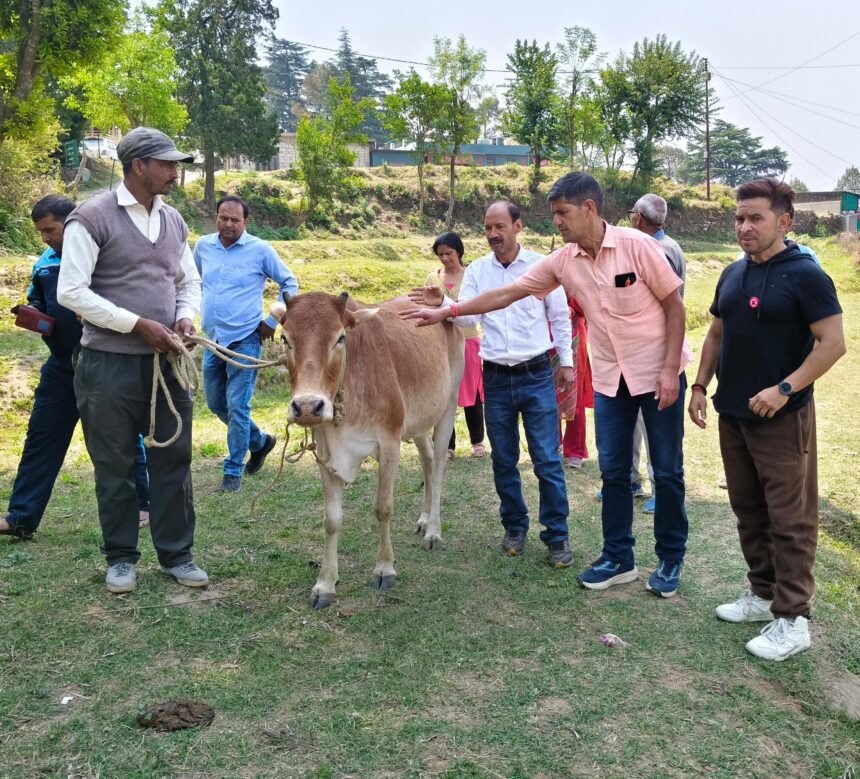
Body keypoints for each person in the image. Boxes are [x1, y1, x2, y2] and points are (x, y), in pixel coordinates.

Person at [403, 174, 691, 598]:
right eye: (553, 213)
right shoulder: (563, 261)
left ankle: (669, 557)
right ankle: (618, 557)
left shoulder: (638, 246)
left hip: (657, 375)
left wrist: (670, 370)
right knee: (613, 472)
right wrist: (450, 308)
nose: (555, 221)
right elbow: (508, 294)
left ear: (588, 208)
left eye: (562, 213)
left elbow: (675, 306)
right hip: (613, 379)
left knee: (666, 471)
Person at [688, 178, 845, 661]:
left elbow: (833, 343)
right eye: (739, 218)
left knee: (790, 519)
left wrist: (784, 389)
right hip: (733, 413)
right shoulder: (733, 273)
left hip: (782, 417)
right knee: (748, 510)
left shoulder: (805, 274)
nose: (744, 227)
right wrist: (699, 385)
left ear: (783, 221)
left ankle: (793, 618)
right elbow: (716, 332)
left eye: (755, 217)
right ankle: (761, 594)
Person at [57, 126, 207, 594]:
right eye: (166, 163)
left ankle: (177, 553)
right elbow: (70, 292)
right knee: (114, 462)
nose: (174, 172)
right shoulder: (92, 217)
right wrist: (138, 325)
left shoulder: (174, 221)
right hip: (108, 364)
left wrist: (184, 318)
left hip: (166, 365)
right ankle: (121, 557)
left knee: (174, 457)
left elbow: (187, 282)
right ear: (138, 165)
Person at [408, 201, 575, 569]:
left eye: (500, 226)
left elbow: (560, 318)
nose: (493, 234)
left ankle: (556, 535)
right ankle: (515, 528)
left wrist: (567, 364)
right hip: (496, 376)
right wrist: (446, 303)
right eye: (487, 228)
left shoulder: (541, 266)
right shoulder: (480, 270)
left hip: (536, 374)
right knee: (503, 460)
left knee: (547, 459)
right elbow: (470, 314)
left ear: (518, 226)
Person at [194, 196, 298, 492]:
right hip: (213, 340)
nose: (228, 224)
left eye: (235, 220)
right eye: (223, 218)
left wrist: (272, 320)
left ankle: (232, 473)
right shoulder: (203, 246)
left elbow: (290, 283)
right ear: (216, 217)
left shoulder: (260, 250)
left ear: (245, 222)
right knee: (216, 404)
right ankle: (260, 442)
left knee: (237, 407)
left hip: (246, 338)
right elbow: (193, 281)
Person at [1, 196, 80, 539]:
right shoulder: (44, 263)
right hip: (61, 368)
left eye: (50, 229)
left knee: (120, 441)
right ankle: (21, 517)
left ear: (72, 222)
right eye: (41, 232)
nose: (45, 238)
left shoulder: (102, 257)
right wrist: (31, 313)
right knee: (41, 439)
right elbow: (37, 299)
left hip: (104, 366)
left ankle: (142, 504)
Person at [627, 193, 688, 513]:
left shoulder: (659, 251)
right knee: (635, 422)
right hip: (639, 354)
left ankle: (660, 490)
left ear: (638, 218)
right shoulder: (670, 245)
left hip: (658, 350)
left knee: (656, 428)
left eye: (631, 215)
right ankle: (632, 481)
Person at [424, 231, 486, 459]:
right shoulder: (432, 279)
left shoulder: (471, 276)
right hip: (440, 343)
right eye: (440, 254)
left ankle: (477, 441)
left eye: (448, 253)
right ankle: (446, 444)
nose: (444, 258)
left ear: (458, 252)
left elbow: (478, 306)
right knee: (444, 392)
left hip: (468, 340)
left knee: (472, 392)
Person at [558, 295, 593, 469]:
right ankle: (552, 445)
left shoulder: (578, 272)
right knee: (547, 395)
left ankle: (574, 450)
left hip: (575, 338)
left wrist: (571, 301)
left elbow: (588, 304)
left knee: (575, 394)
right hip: (547, 338)